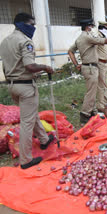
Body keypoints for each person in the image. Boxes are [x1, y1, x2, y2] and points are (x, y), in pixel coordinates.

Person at [0, 13, 55, 169]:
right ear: (22, 24)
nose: (33, 27)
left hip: (12, 85)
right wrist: (45, 67)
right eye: (31, 24)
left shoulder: (5, 41)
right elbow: (29, 66)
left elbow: (10, 66)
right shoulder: (25, 41)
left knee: (30, 115)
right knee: (27, 123)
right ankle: (25, 160)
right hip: (25, 87)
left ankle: (44, 140)